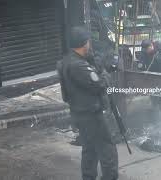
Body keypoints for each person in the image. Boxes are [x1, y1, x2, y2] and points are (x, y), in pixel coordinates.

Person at [58, 26, 119, 180]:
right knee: (107, 149)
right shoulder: (78, 65)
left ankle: (88, 177)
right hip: (90, 114)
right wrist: (104, 72)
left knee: (90, 149)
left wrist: (93, 62)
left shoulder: (68, 60)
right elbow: (99, 84)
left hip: (80, 113)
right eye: (88, 42)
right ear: (84, 43)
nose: (90, 45)